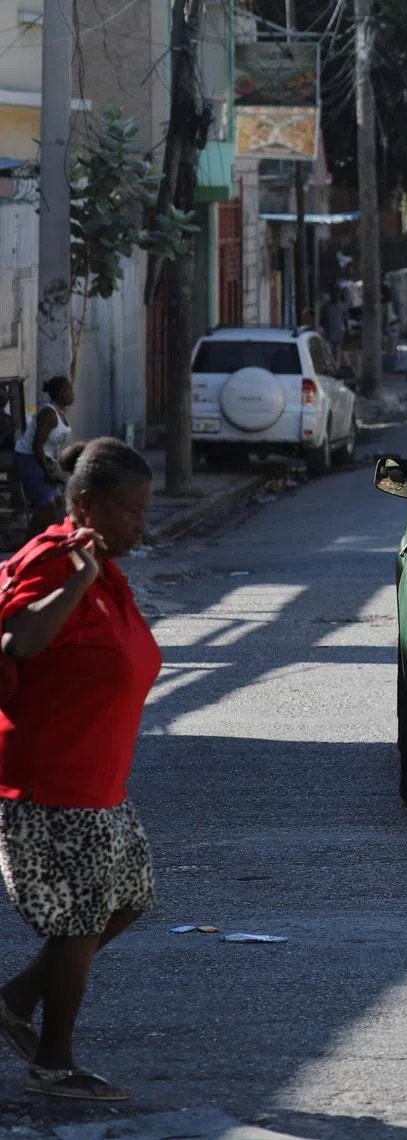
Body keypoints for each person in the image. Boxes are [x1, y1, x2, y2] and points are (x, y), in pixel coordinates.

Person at [0, 439, 162, 1101]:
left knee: (128, 899)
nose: (141, 524)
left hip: (99, 784)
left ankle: (13, 1000)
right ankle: (54, 1063)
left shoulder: (104, 564)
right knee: (81, 921)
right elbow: (19, 641)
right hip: (54, 785)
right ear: (87, 505)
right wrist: (77, 580)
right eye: (130, 510)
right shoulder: (56, 559)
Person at [14, 376, 74, 538]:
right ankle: (29, 548)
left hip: (42, 460)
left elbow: (51, 449)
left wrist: (54, 468)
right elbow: (37, 446)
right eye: (69, 389)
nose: (72, 393)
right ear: (61, 393)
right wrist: (47, 473)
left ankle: (40, 542)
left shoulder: (61, 414)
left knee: (58, 503)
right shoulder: (49, 414)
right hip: (27, 458)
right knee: (47, 506)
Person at [320, 285, 348, 366]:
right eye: (334, 293)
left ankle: (336, 370)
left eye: (337, 293)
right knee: (328, 354)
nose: (335, 295)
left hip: (339, 335)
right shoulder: (326, 306)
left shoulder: (342, 306)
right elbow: (322, 320)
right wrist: (322, 330)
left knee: (337, 355)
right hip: (328, 335)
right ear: (331, 294)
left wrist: (346, 333)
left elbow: (345, 321)